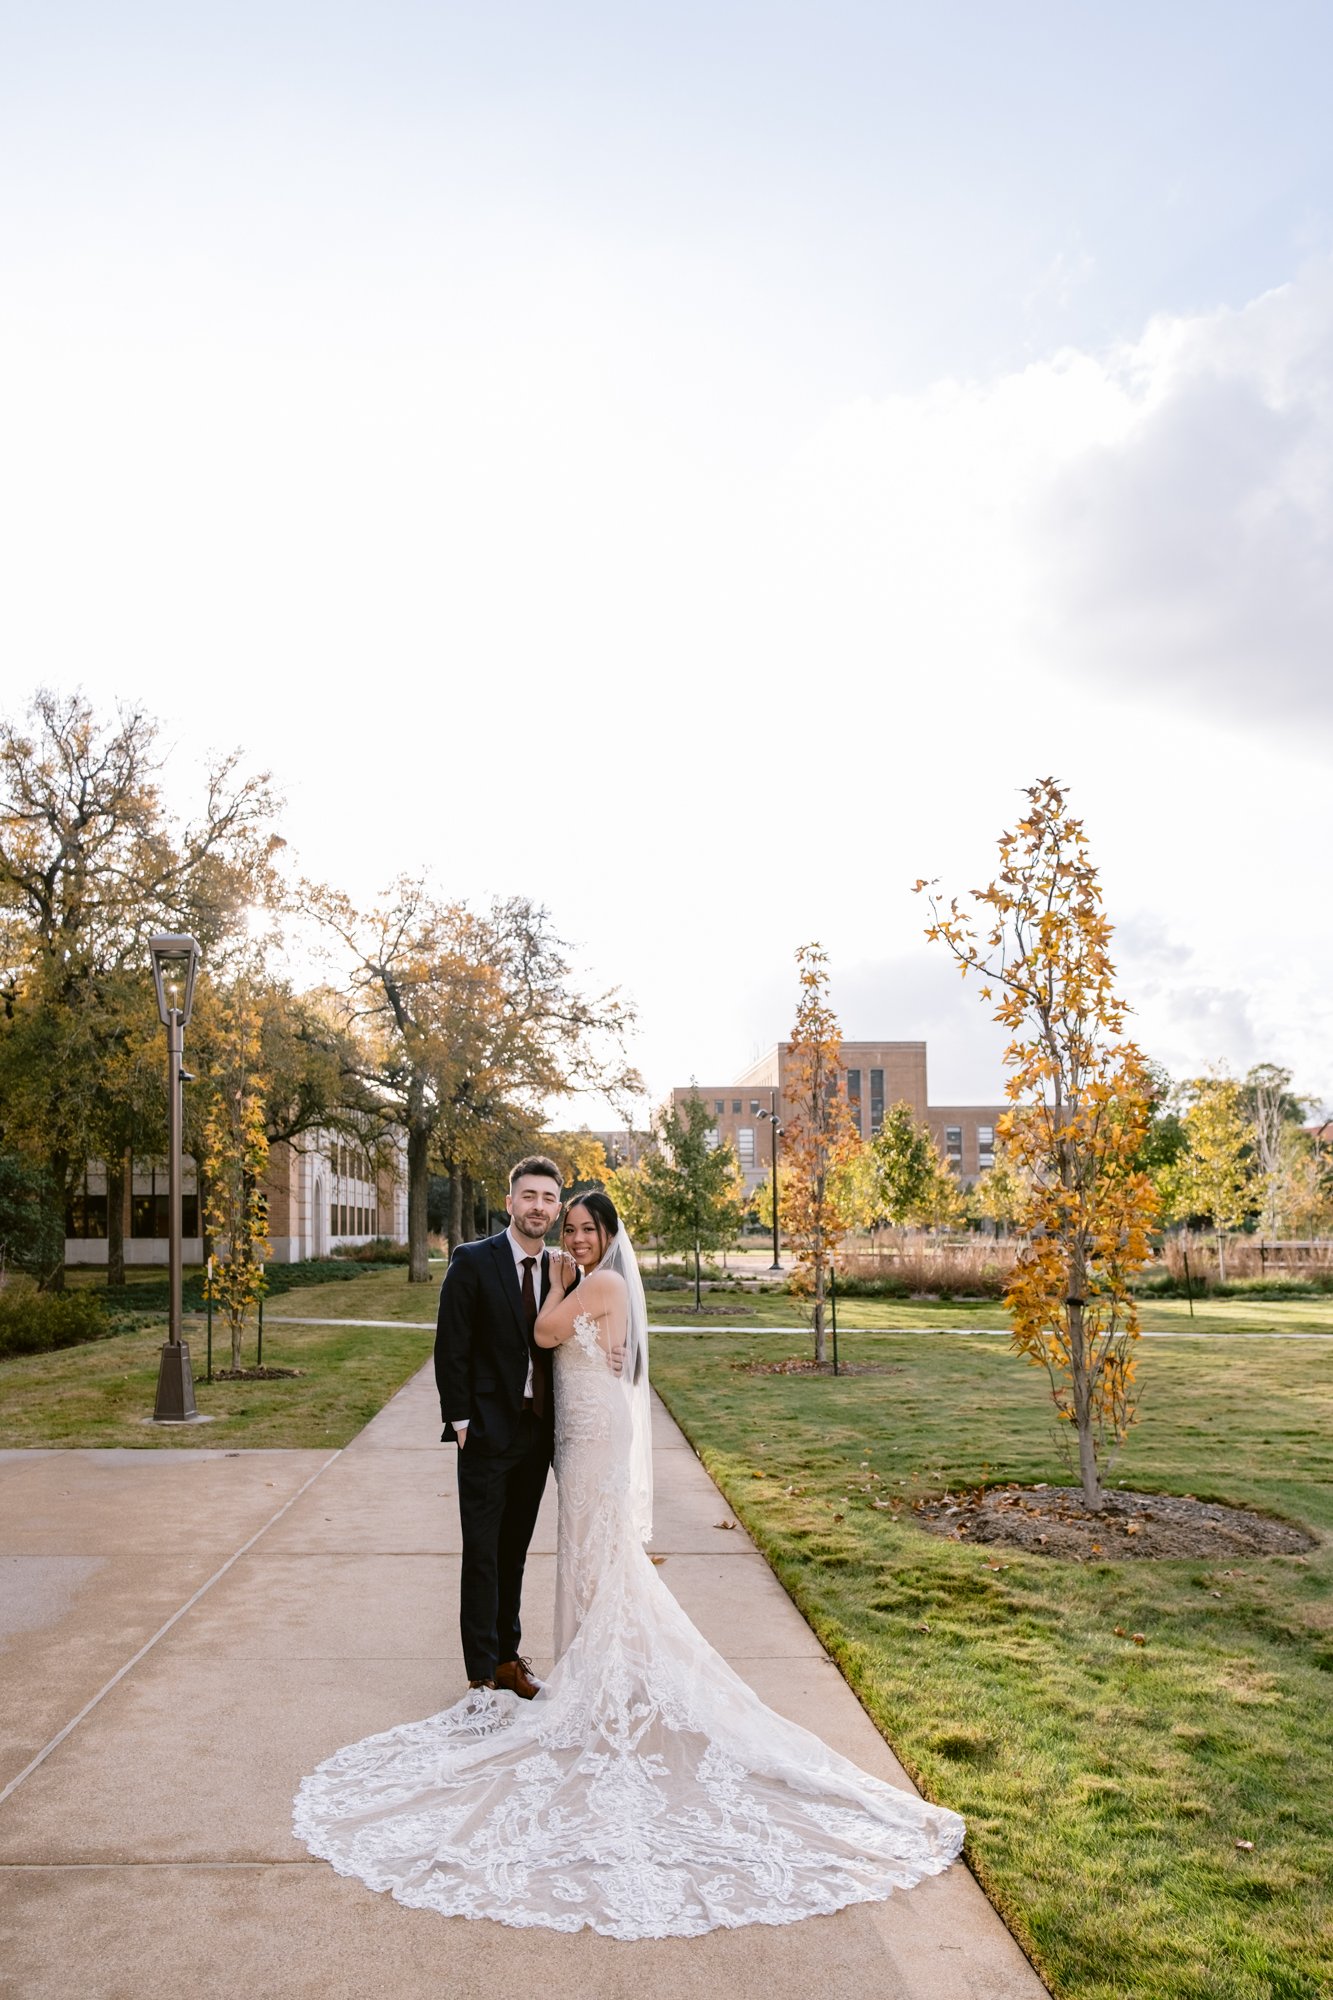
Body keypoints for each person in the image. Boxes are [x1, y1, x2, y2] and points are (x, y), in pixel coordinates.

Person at [294, 1190, 965, 1939]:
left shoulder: (598, 1281)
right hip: (575, 1432)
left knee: (598, 1555)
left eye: (586, 1227)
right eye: (569, 1226)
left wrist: (560, 1284)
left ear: (610, 1235)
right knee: (590, 1555)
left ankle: (603, 1679)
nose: (575, 1236)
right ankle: (591, 1667)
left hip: (592, 1439)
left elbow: (544, 1333)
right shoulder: (588, 1281)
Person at [430, 1154, 564, 1699]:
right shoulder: (473, 1260)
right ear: (510, 1202)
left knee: (515, 1552)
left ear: (557, 1207)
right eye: (529, 1196)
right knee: (482, 1554)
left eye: (548, 1198)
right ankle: (482, 1673)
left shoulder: (561, 1269)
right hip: (485, 1432)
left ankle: (509, 1660)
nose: (538, 1206)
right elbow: (451, 1345)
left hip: (537, 1435)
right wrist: (461, 1421)